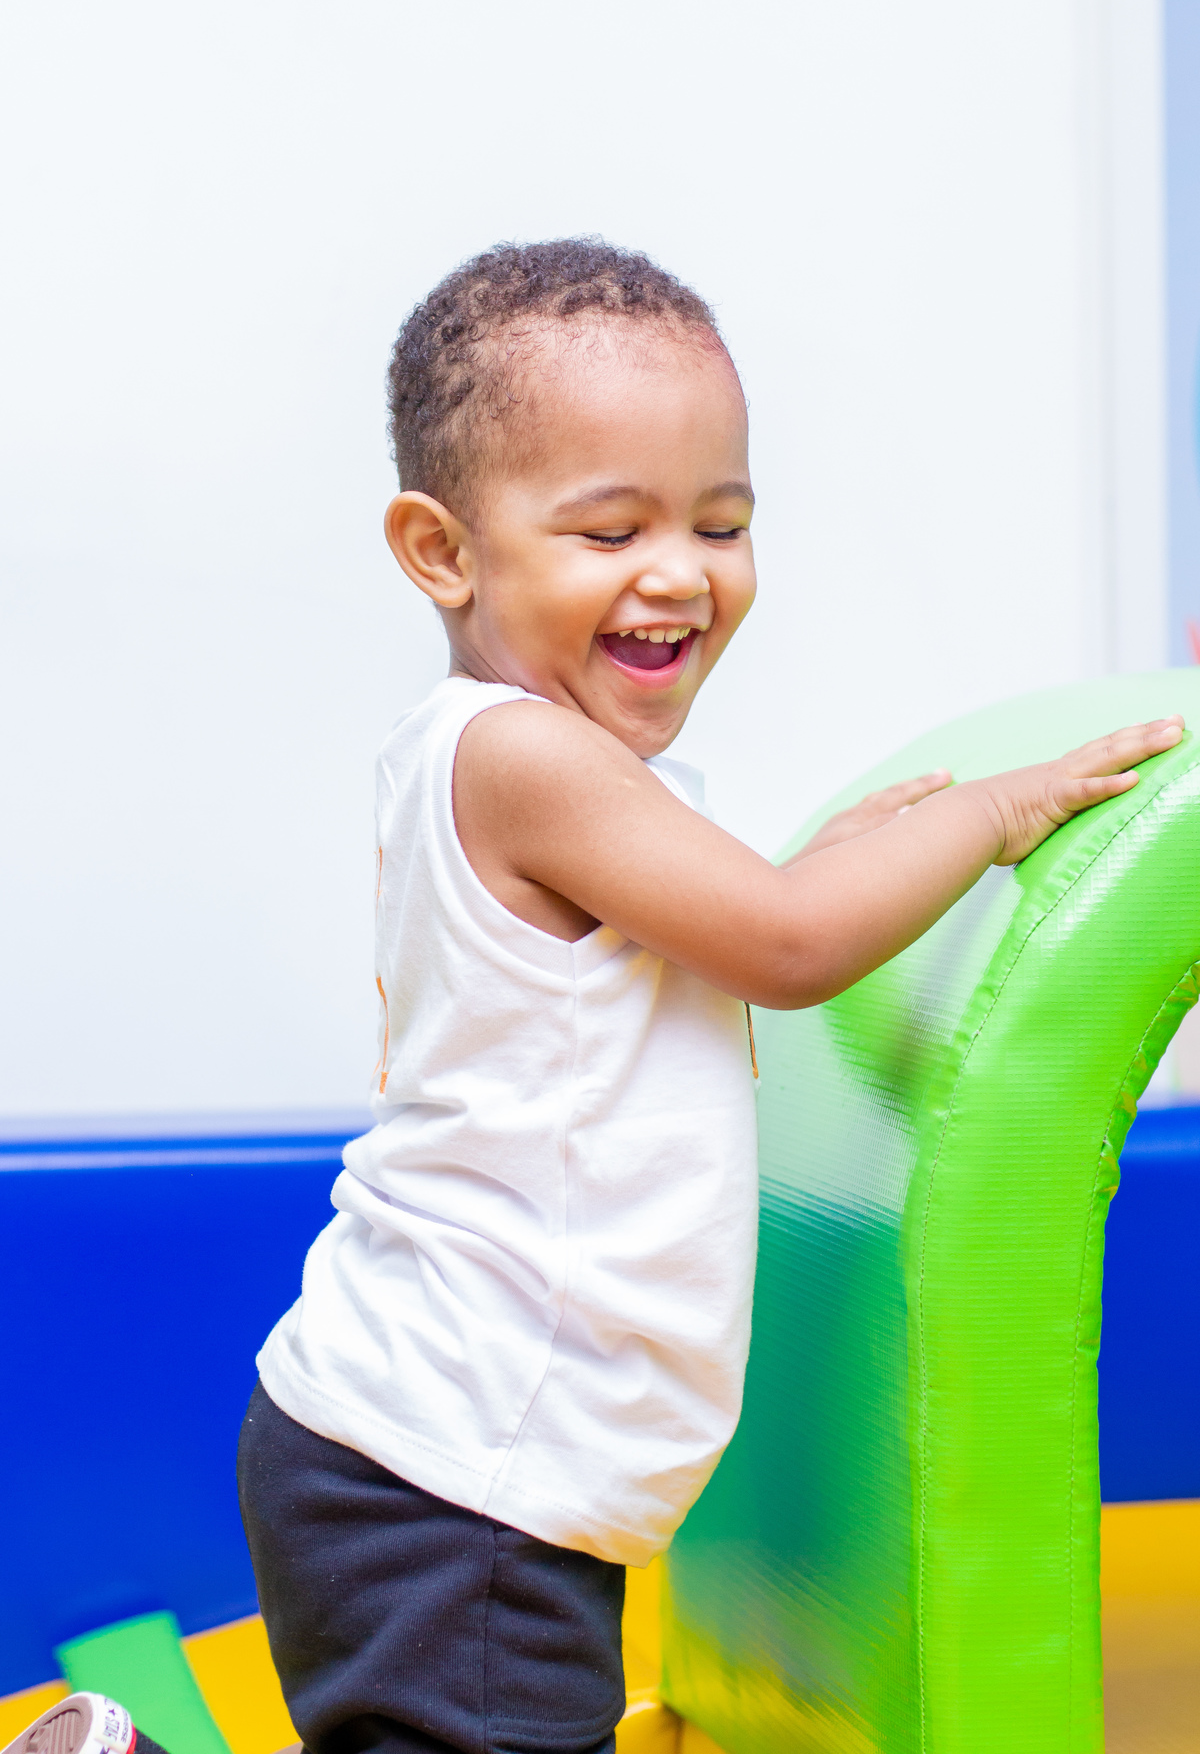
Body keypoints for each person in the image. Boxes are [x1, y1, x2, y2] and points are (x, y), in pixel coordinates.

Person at [235, 239, 1184, 1754]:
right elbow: (786, 947)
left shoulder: (531, 769)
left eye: (722, 524)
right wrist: (994, 813)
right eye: (610, 529)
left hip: (464, 1462)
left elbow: (682, 964)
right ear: (442, 550)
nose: (680, 570)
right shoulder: (523, 755)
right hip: (454, 1473)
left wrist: (825, 866)